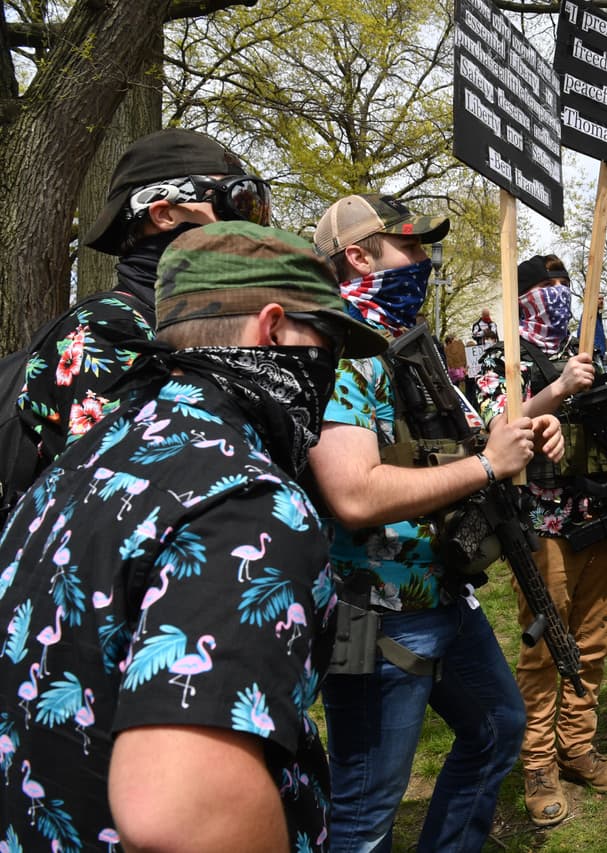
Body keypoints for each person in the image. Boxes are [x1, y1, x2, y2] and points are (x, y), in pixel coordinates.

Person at [0, 220, 385, 852]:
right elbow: (183, 814)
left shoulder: (85, 457)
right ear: (273, 328)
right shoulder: (246, 501)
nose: (330, 367)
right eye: (327, 340)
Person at [307, 193, 564, 852]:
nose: (425, 260)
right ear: (359, 256)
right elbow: (354, 493)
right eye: (411, 247)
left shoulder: (407, 343)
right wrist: (485, 467)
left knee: (498, 729)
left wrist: (531, 426)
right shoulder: (339, 346)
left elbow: (472, 440)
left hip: (445, 591)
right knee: (365, 814)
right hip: (379, 613)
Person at [475, 254, 607, 827]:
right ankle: (538, 762)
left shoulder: (585, 351)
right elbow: (497, 426)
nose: (558, 293)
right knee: (546, 649)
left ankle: (577, 746)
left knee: (593, 640)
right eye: (545, 285)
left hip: (599, 516)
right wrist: (560, 388)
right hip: (541, 524)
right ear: (521, 295)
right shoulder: (504, 357)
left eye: (564, 283)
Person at [16, 128, 270, 468]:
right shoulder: (108, 329)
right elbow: (113, 493)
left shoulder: (198, 325)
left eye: (253, 206)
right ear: (164, 213)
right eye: (233, 201)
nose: (247, 227)